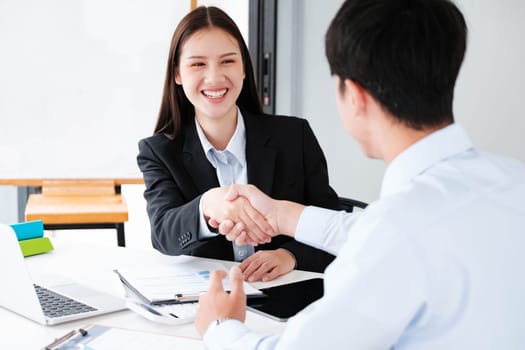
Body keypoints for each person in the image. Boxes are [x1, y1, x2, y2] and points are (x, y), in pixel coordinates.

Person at [195, 0, 525, 348]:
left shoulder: (396, 233)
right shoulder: (511, 180)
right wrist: (281, 215)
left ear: (355, 96)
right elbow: (380, 232)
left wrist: (220, 327)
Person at [137, 6, 339, 282]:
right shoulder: (159, 151)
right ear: (177, 74)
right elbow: (163, 234)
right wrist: (207, 205)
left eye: (228, 61)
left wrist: (289, 256)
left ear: (244, 67)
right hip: (208, 300)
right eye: (198, 64)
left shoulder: (295, 136)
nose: (215, 77)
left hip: (287, 292)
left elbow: (331, 221)